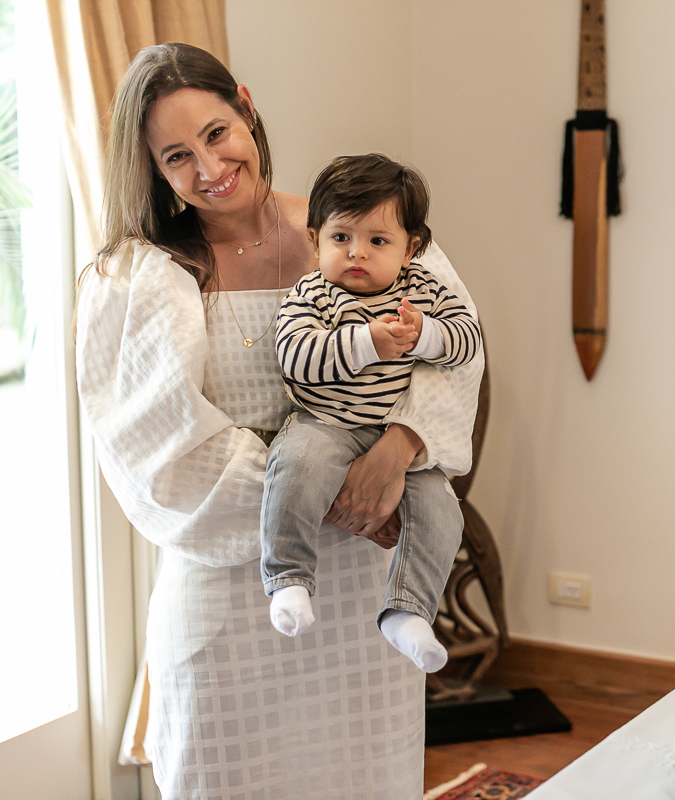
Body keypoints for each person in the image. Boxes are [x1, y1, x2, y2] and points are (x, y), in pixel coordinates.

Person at [74, 42, 482, 800]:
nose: (208, 168)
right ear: (155, 172)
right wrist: (335, 494)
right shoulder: (139, 279)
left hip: (367, 594)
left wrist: (399, 447)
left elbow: (453, 354)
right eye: (176, 156)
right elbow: (162, 451)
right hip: (231, 602)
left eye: (217, 133)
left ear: (248, 110)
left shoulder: (362, 232)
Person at [263, 154, 481, 678]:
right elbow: (295, 356)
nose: (357, 253)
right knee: (295, 466)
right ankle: (289, 576)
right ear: (316, 240)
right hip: (327, 424)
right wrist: (368, 343)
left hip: (395, 436)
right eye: (342, 238)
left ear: (412, 249)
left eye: (377, 241)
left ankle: (408, 611)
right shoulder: (311, 295)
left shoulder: (424, 293)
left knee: (443, 512)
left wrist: (426, 334)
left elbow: (468, 342)